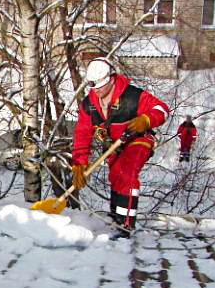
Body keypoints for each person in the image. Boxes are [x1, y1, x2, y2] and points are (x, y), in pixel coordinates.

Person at [71, 57, 169, 239]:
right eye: (94, 87)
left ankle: (126, 225)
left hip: (138, 140)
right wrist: (79, 162)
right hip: (114, 145)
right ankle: (116, 216)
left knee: (126, 172)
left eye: (100, 86)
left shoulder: (132, 96)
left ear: (111, 78)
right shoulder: (89, 105)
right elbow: (82, 133)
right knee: (116, 175)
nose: (97, 91)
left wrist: (147, 119)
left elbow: (162, 109)